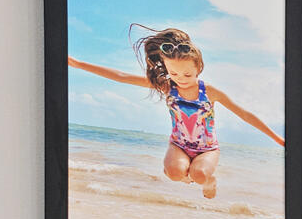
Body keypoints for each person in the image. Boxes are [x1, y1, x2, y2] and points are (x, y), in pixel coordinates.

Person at [66, 26, 282, 199]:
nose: (181, 78)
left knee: (200, 174)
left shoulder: (210, 92)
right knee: (174, 173)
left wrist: (277, 138)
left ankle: (209, 181)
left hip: (207, 149)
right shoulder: (167, 87)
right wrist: (79, 64)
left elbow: (245, 114)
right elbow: (122, 76)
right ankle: (183, 172)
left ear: (198, 68)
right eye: (174, 73)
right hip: (179, 145)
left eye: (187, 74)